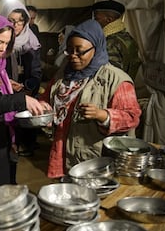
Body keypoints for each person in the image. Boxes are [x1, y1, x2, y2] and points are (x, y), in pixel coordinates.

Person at [39, 19, 141, 179]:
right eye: (69, 50)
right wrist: (41, 110)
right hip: (63, 148)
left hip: (94, 157)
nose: (73, 56)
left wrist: (103, 115)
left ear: (97, 47)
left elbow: (132, 117)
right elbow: (47, 98)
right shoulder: (64, 73)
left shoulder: (116, 79)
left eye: (80, 51)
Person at [0, 14, 51, 189]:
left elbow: (1, 97)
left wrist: (33, 106)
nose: (2, 49)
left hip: (4, 142)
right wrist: (19, 100)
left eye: (7, 44)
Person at [1, 0, 43, 158]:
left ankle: (27, 145)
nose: (16, 25)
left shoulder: (31, 42)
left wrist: (26, 86)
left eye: (20, 20)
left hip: (26, 89)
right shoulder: (1, 42)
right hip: (5, 91)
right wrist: (6, 83)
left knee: (27, 118)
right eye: (11, 20)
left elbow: (37, 71)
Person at [92, 0, 141, 81]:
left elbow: (108, 76)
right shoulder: (127, 37)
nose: (94, 22)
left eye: (97, 18)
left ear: (109, 20)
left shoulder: (110, 43)